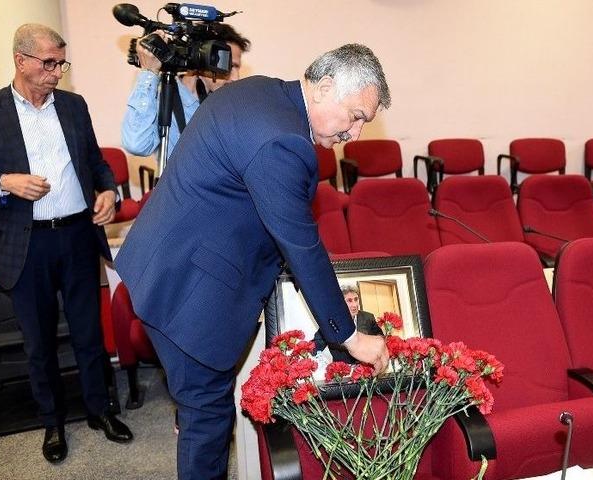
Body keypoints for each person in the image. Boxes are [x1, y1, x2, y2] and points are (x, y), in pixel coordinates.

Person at [115, 44, 391, 479]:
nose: (354, 135)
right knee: (207, 419)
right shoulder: (283, 139)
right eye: (356, 116)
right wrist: (350, 336)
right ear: (323, 88)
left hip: (165, 261)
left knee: (199, 409)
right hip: (191, 291)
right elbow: (300, 243)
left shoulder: (261, 92)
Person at [0, 23, 133, 464]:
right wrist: (4, 183)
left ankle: (98, 409)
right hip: (25, 244)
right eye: (48, 62)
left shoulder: (72, 105)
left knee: (89, 334)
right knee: (39, 342)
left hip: (77, 236)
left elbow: (94, 163)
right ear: (21, 60)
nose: (56, 72)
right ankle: (51, 422)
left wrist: (108, 192)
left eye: (60, 63)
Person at [121, 23, 251, 159]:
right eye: (228, 66)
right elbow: (137, 145)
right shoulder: (164, 95)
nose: (236, 78)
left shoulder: (223, 105)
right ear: (204, 59)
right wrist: (149, 72)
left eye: (237, 68)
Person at [314, 284, 383, 363]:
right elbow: (316, 346)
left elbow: (380, 338)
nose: (355, 305)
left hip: (365, 367)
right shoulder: (331, 322)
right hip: (342, 370)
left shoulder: (368, 317)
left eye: (356, 299)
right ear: (340, 303)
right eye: (349, 300)